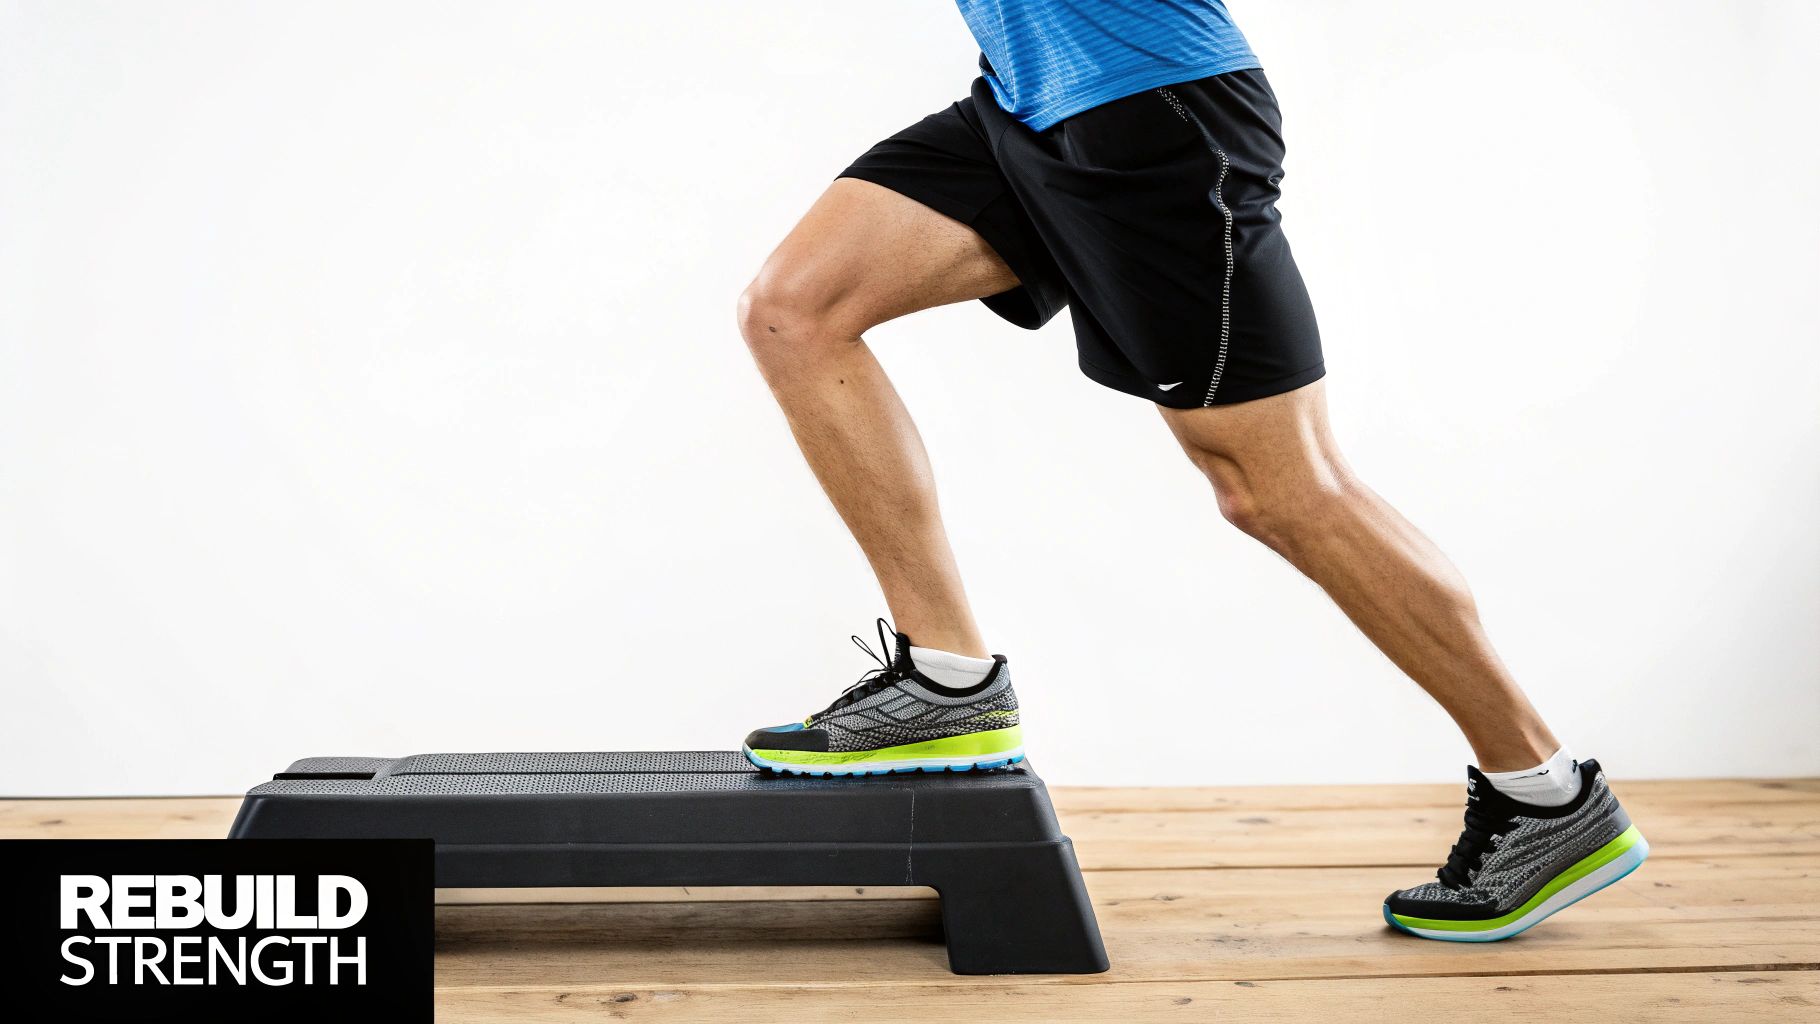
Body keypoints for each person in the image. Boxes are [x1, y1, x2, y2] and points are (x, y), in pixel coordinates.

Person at [736, 1, 1647, 941]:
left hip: (1154, 115)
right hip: (1026, 107)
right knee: (793, 309)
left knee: (1281, 489)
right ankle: (950, 681)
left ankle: (1543, 792)